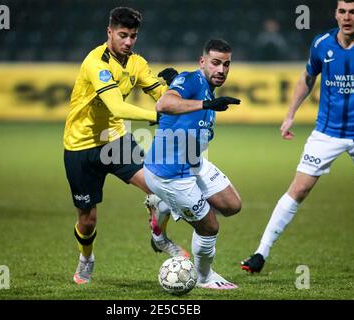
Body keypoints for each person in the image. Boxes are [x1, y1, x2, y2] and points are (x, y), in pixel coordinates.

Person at [241, 0, 354, 273]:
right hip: (326, 133)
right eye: (342, 11)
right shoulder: (322, 44)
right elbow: (307, 77)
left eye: (353, 12)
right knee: (299, 189)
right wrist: (290, 114)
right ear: (336, 14)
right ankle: (260, 253)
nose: (347, 18)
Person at [63, 7, 187, 285]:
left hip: (115, 140)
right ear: (109, 32)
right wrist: (158, 115)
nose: (128, 42)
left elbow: (160, 95)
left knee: (160, 186)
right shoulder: (96, 63)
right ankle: (86, 258)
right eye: (122, 35)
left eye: (132, 36)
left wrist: (176, 89)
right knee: (87, 219)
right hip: (80, 146)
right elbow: (117, 107)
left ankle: (158, 236)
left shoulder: (137, 63)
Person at [143, 39, 242, 290]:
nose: (221, 70)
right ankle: (204, 277)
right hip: (171, 173)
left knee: (232, 205)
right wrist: (205, 103)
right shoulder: (193, 82)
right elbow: (163, 104)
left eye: (226, 64)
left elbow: (180, 103)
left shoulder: (203, 85)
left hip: (193, 161)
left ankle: (163, 204)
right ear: (203, 62)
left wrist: (183, 87)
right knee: (209, 227)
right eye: (216, 63)